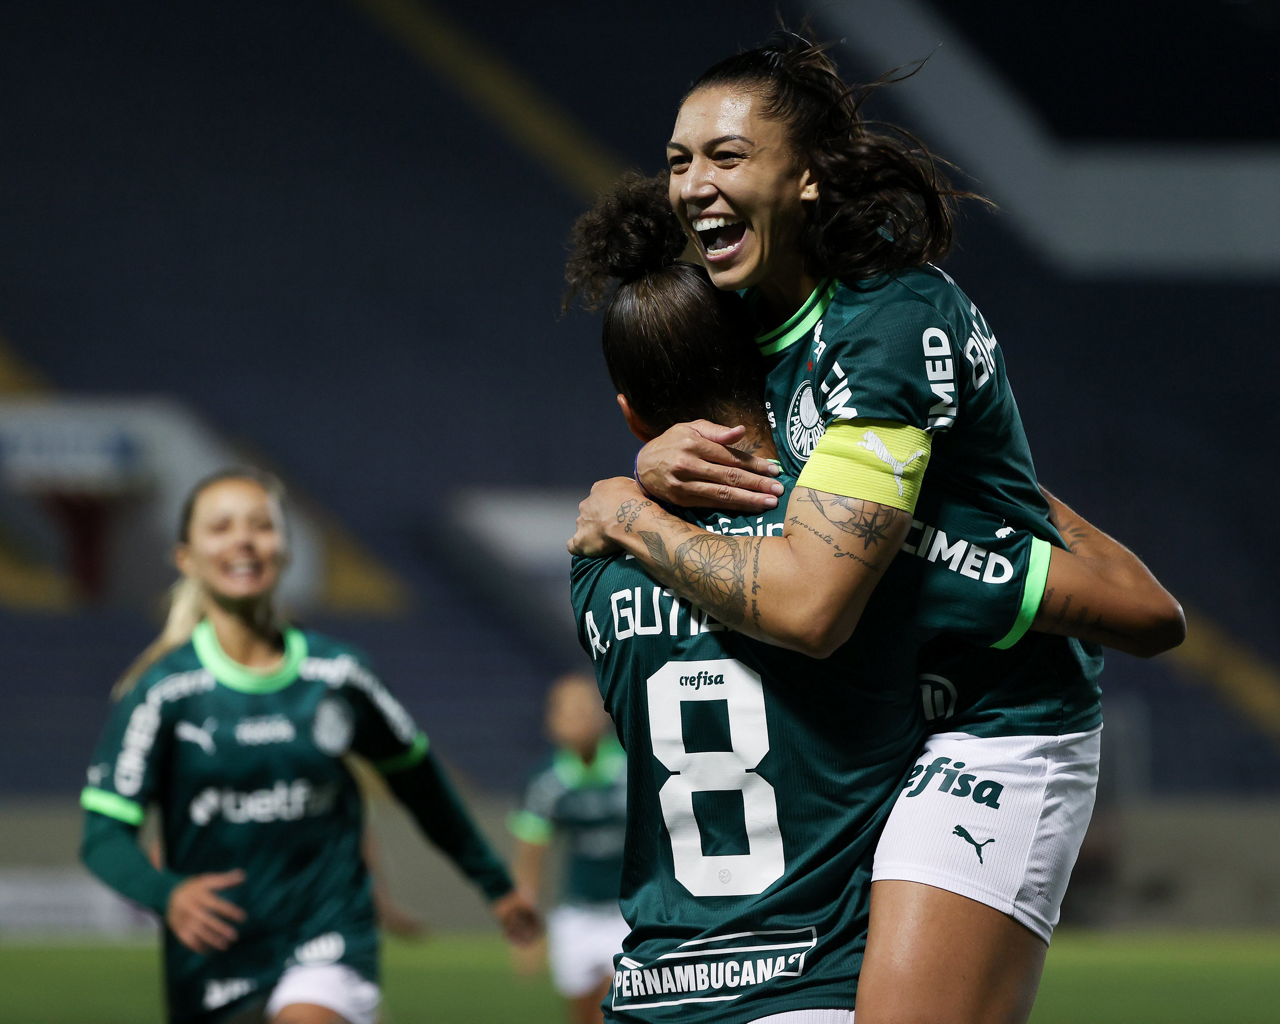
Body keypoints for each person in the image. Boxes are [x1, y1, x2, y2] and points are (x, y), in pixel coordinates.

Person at [570, 34, 1185, 1024]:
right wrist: (650, 461)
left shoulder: (885, 320)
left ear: (807, 177)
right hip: (886, 708)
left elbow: (811, 606)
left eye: (727, 155)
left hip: (991, 723)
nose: (693, 184)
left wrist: (627, 513)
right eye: (679, 160)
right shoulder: (756, 319)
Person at [80, 469, 540, 1024]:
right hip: (214, 959)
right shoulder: (162, 692)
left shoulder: (339, 674)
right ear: (186, 558)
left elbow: (422, 787)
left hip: (327, 937)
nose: (244, 541)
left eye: (261, 526)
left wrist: (495, 885)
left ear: (286, 547)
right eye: (221, 528)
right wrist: (167, 894)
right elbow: (103, 835)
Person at [509, 674, 629, 1024]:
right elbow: (530, 858)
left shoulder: (633, 767)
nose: (580, 717)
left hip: (630, 915)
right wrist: (525, 931)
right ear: (552, 721)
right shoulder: (544, 781)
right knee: (582, 1015)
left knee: (617, 1009)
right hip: (576, 916)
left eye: (587, 708)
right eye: (569, 710)